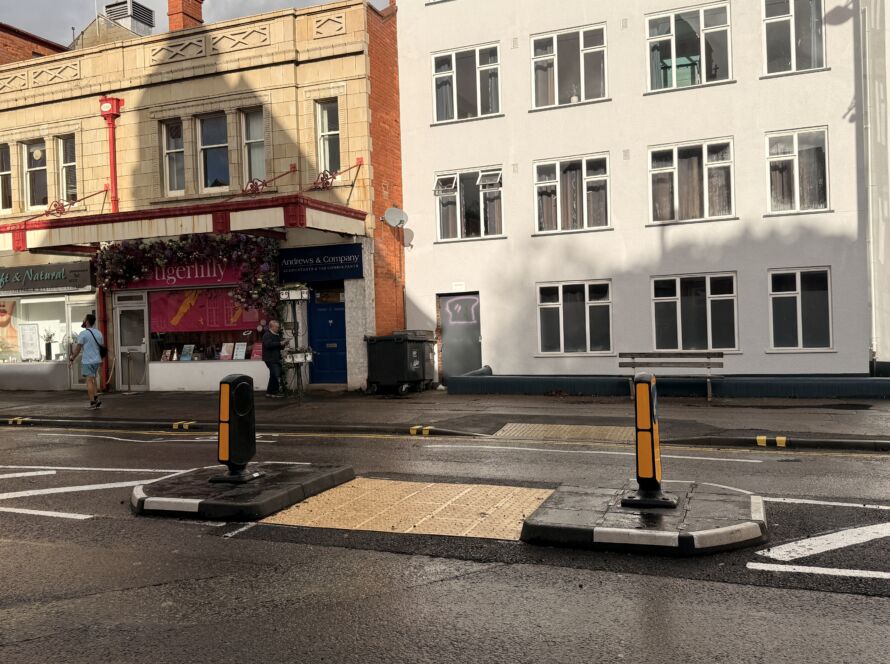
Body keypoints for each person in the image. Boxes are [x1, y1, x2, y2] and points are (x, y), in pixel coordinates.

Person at [68, 313, 104, 409]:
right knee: (94, 379)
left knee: (89, 381)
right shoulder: (99, 333)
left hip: (88, 361)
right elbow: (100, 348)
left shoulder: (83, 334)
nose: (83, 321)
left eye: (84, 319)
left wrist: (72, 358)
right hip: (97, 360)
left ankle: (92, 402)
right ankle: (96, 399)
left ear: (87, 321)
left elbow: (78, 349)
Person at [262, 319, 290, 398]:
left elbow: (278, 346)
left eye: (278, 327)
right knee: (276, 374)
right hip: (270, 358)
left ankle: (269, 392)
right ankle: (274, 392)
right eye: (277, 327)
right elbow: (268, 345)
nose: (278, 328)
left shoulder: (276, 335)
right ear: (271, 327)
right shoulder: (267, 335)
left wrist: (284, 344)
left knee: (273, 375)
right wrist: (280, 343)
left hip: (275, 357)